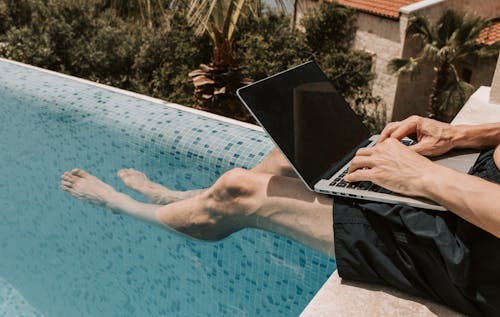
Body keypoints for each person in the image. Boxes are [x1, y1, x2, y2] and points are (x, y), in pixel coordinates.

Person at [61, 115, 500, 316]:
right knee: (286, 159)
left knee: (240, 191)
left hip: (474, 251)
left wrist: (423, 178)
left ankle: (127, 206)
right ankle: (183, 197)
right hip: (478, 186)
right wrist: (467, 133)